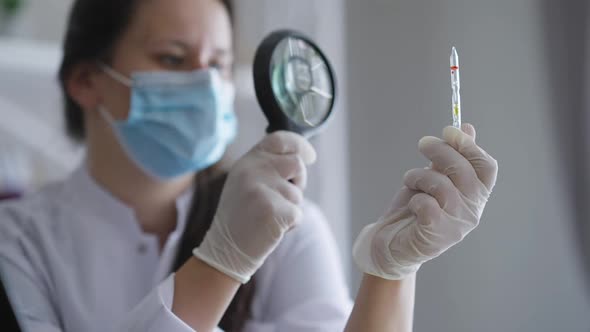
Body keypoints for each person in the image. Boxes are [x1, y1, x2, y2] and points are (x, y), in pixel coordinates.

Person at [0, 0, 498, 331]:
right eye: (174, 59)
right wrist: (221, 262)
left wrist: (391, 271)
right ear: (87, 80)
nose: (204, 83)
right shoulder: (17, 242)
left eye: (217, 63)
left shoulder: (290, 227)